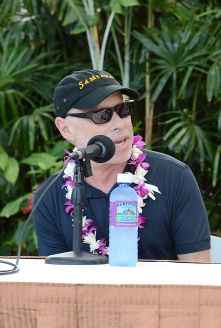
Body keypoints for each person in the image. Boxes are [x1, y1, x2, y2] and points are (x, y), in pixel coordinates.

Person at [33, 69, 211, 262]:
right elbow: (57, 284)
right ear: (66, 129)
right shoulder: (48, 197)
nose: (119, 124)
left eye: (122, 110)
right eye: (102, 115)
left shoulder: (174, 177)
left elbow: (197, 274)